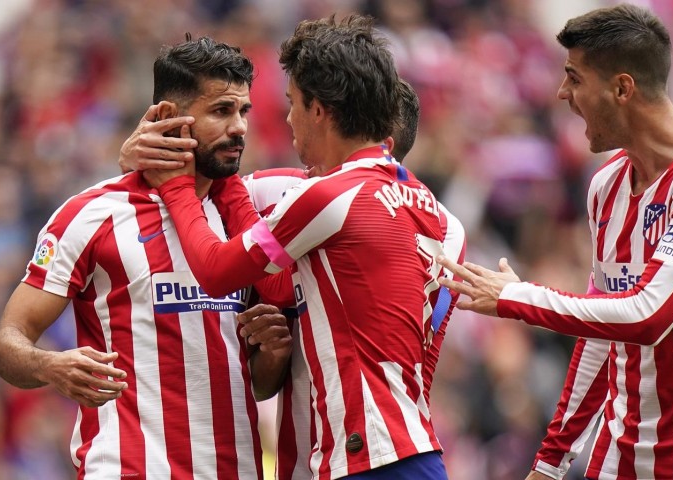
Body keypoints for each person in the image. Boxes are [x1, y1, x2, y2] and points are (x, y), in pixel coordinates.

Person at [437, 4, 673, 480]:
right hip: (619, 455)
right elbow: (600, 333)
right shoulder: (605, 187)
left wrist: (515, 296)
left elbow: (647, 315)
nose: (560, 93)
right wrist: (551, 461)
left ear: (621, 88)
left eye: (574, 78)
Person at [138, 14, 464, 479]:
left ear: (319, 110)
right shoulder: (443, 221)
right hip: (414, 449)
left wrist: (171, 181)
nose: (286, 118)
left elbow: (214, 265)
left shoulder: (324, 197)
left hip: (364, 458)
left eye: (292, 103)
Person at [0, 35, 292, 479]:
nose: (240, 127)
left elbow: (257, 385)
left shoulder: (246, 221)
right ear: (169, 117)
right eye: (222, 110)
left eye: (243, 111)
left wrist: (274, 355)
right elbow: (4, 345)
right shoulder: (93, 216)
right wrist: (50, 366)